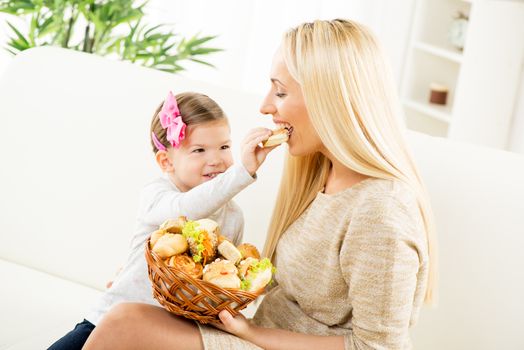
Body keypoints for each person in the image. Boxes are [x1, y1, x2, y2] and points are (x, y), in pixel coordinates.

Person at [82, 18, 438, 350]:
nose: (266, 106)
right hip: (256, 334)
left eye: (280, 92)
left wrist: (253, 333)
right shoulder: (321, 179)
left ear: (329, 99)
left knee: (125, 324)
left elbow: (379, 347)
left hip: (262, 341)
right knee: (125, 314)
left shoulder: (381, 210)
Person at [48, 91, 278, 349]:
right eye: (199, 150)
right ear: (166, 161)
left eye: (224, 147)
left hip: (170, 333)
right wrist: (241, 172)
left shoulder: (233, 216)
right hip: (110, 322)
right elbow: (187, 210)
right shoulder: (158, 195)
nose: (216, 160)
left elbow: (218, 281)